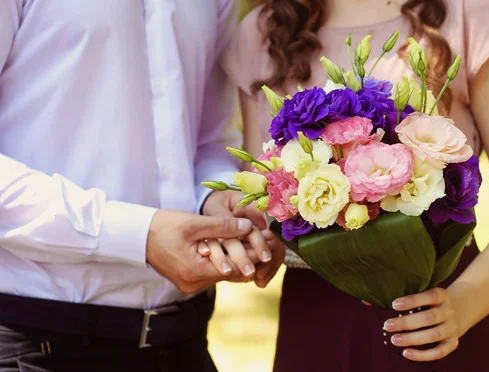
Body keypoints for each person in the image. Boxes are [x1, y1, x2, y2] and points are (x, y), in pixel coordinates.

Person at [220, 0, 489, 370]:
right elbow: (265, 204)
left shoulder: (471, 13)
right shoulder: (263, 31)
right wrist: (247, 244)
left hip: (439, 317)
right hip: (317, 327)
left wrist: (461, 305)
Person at [0, 1, 283, 371]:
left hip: (185, 344)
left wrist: (215, 199)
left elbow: (209, 139)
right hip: (36, 345)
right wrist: (140, 235)